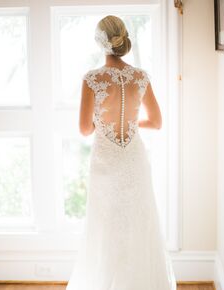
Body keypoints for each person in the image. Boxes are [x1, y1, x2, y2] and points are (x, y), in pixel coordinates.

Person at [66, 15, 175, 290]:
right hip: (134, 159)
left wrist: (105, 123)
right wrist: (129, 122)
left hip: (106, 160)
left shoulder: (92, 79)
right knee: (139, 223)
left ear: (101, 42)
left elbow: (84, 129)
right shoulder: (140, 77)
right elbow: (157, 122)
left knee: (105, 227)